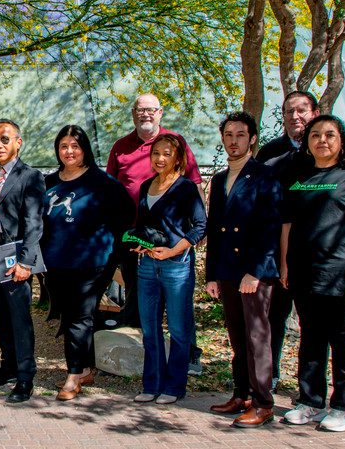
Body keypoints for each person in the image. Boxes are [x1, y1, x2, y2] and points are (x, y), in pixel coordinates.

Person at [279, 115, 345, 432]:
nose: (322, 140)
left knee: (343, 341)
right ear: (307, 142)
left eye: (330, 135)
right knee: (311, 340)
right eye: (315, 135)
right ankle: (311, 402)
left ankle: (343, 407)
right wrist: (285, 264)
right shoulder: (298, 176)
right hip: (304, 274)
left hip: (343, 275)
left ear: (342, 141)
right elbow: (287, 224)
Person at [106, 93, 204, 374]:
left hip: (173, 241)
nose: (145, 114)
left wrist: (196, 232)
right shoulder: (121, 147)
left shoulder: (175, 142)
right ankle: (142, 356)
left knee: (179, 303)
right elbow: (111, 191)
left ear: (160, 113)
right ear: (133, 113)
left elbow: (194, 187)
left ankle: (190, 355)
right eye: (140, 110)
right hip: (134, 240)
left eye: (151, 110)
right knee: (140, 298)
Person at [41, 125, 133, 401]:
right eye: (64, 146)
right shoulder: (48, 182)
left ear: (85, 150)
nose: (69, 151)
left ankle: (73, 376)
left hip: (92, 263)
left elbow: (126, 214)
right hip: (55, 262)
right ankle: (85, 369)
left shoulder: (101, 182)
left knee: (79, 316)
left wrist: (112, 250)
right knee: (70, 316)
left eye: (75, 146)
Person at [205, 112, 282, 427]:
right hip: (227, 269)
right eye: (228, 135)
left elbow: (270, 227)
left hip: (253, 271)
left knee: (256, 336)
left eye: (240, 135)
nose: (233, 141)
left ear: (252, 139)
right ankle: (242, 395)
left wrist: (256, 271)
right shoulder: (219, 180)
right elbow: (214, 228)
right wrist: (211, 274)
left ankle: (263, 403)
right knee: (237, 336)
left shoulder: (265, 175)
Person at [130, 134, 206, 405]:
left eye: (167, 154)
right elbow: (145, 225)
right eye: (156, 153)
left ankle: (174, 387)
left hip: (176, 266)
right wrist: (140, 242)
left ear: (177, 158)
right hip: (147, 266)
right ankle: (152, 385)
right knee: (150, 329)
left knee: (178, 329)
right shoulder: (146, 186)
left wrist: (173, 251)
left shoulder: (186, 188)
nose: (160, 158)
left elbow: (200, 226)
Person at [0, 120, 46, 404]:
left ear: (18, 142)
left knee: (19, 317)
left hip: (15, 254)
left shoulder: (31, 176)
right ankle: (8, 367)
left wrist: (26, 262)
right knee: (1, 315)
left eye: (5, 139)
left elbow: (34, 222)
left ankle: (25, 376)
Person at [258, 90, 320, 389]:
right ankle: (269, 376)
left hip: (315, 250)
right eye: (288, 111)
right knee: (273, 316)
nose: (295, 116)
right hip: (274, 250)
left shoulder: (327, 151)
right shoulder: (270, 153)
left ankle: (310, 388)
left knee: (314, 323)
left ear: (315, 113)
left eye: (301, 110)